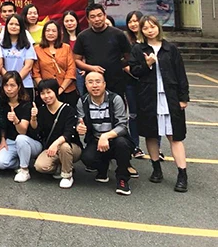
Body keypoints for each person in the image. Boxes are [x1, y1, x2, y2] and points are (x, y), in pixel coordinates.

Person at [129, 15, 190, 192]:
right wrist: (147, 64)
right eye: (146, 28)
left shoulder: (170, 48)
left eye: (152, 26)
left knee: (174, 136)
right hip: (148, 97)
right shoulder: (138, 49)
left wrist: (183, 97)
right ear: (141, 31)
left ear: (158, 27)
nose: (150, 30)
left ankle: (182, 174)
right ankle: (156, 169)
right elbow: (134, 71)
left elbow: (180, 73)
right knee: (151, 134)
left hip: (170, 97)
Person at [77, 71, 133, 195]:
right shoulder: (83, 101)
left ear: (104, 84)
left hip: (116, 138)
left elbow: (122, 126)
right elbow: (79, 121)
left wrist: (106, 136)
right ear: (86, 85)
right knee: (87, 158)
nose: (94, 85)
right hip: (96, 140)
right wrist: (79, 127)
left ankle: (122, 179)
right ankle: (103, 167)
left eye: (98, 82)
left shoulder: (115, 99)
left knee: (122, 144)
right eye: (90, 82)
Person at [73, 3, 131, 103]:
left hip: (116, 82)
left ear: (105, 16)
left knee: (117, 108)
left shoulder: (118, 34)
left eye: (99, 15)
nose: (97, 19)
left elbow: (128, 56)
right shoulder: (83, 36)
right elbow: (77, 60)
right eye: (93, 17)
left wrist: (116, 65)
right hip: (93, 83)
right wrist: (91, 68)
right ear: (88, 19)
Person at [32, 78, 82, 188]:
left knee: (64, 146)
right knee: (40, 166)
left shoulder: (68, 109)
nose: (46, 96)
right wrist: (34, 117)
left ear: (55, 91)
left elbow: (69, 132)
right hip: (52, 149)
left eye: (49, 92)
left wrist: (56, 143)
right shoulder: (42, 110)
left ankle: (67, 175)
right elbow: (37, 130)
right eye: (42, 93)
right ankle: (62, 165)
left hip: (71, 147)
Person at [0, 71, 42, 182]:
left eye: (12, 85)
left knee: (20, 139)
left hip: (30, 142)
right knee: (0, 163)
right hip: (10, 141)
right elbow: (1, 125)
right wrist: (3, 139)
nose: (9, 89)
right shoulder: (2, 103)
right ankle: (20, 162)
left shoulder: (26, 104)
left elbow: (23, 131)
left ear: (19, 86)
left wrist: (15, 120)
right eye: (6, 85)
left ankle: (24, 170)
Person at [33, 20, 78, 106]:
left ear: (59, 33)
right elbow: (35, 73)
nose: (50, 33)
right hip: (46, 94)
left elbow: (71, 70)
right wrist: (45, 90)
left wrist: (61, 89)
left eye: (54, 31)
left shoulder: (66, 47)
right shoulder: (37, 49)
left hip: (66, 90)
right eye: (48, 30)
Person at [124, 10, 146, 159]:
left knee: (152, 114)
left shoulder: (149, 41)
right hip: (131, 82)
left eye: (136, 21)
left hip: (148, 84)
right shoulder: (126, 41)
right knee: (133, 115)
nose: (133, 24)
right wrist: (137, 74)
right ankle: (135, 146)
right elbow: (124, 63)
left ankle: (156, 147)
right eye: (130, 21)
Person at [0, 14, 37, 98]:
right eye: (11, 24)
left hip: (25, 85)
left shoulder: (27, 45)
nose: (13, 27)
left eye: (17, 24)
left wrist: (15, 81)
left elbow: (28, 66)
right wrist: (9, 81)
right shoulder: (0, 45)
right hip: (6, 86)